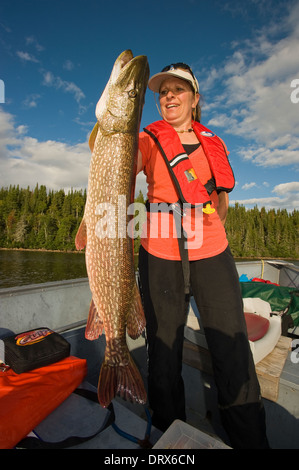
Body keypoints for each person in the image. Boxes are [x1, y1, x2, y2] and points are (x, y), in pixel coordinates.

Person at [136, 63, 269, 449]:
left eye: (179, 90)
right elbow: (117, 156)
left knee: (231, 348)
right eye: (163, 92)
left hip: (212, 251)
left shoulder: (214, 140)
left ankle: (250, 440)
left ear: (195, 100)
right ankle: (168, 436)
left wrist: (209, 229)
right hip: (160, 252)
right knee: (163, 352)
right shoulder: (147, 138)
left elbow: (222, 199)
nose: (170, 96)